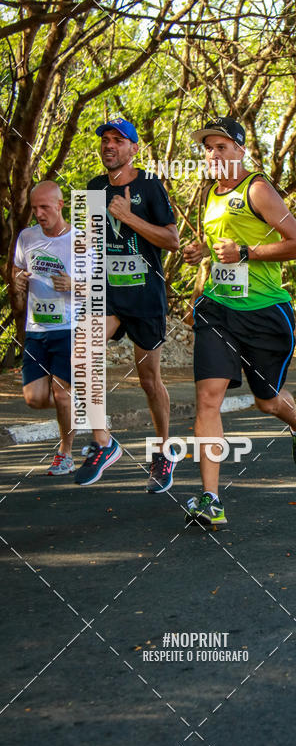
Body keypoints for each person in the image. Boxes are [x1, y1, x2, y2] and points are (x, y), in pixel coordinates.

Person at [183, 116, 296, 526]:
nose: (213, 154)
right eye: (208, 148)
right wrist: (201, 253)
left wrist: (246, 253)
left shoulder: (257, 189)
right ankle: (210, 499)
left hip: (264, 313)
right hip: (218, 309)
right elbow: (220, 246)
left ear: (240, 151)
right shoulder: (211, 194)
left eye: (222, 147)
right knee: (208, 398)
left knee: (266, 401)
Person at [74, 118, 180, 491]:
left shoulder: (150, 185)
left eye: (118, 140)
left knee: (149, 380)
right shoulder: (93, 188)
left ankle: (164, 452)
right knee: (82, 352)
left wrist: (128, 217)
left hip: (146, 297)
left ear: (134, 148)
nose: (109, 145)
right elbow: (87, 244)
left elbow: (172, 240)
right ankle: (103, 442)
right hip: (108, 296)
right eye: (105, 139)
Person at [13, 181, 75, 475]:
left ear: (60, 205)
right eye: (35, 207)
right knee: (35, 398)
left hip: (70, 328)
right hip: (36, 329)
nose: (38, 213)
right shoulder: (27, 237)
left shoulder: (80, 240)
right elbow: (16, 268)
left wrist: (74, 284)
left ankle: (66, 453)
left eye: (44, 207)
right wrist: (17, 278)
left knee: (62, 394)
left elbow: (100, 288)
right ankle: (76, 408)